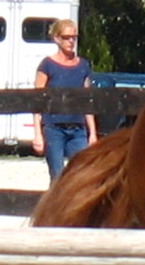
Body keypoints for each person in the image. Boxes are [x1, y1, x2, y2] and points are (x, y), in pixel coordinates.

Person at [32, 18, 97, 180]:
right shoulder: (47, 65)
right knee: (57, 175)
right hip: (54, 128)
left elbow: (87, 101)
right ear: (57, 39)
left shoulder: (83, 66)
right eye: (67, 37)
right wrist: (37, 133)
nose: (71, 41)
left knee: (80, 174)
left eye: (73, 37)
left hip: (78, 129)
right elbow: (36, 101)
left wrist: (93, 133)